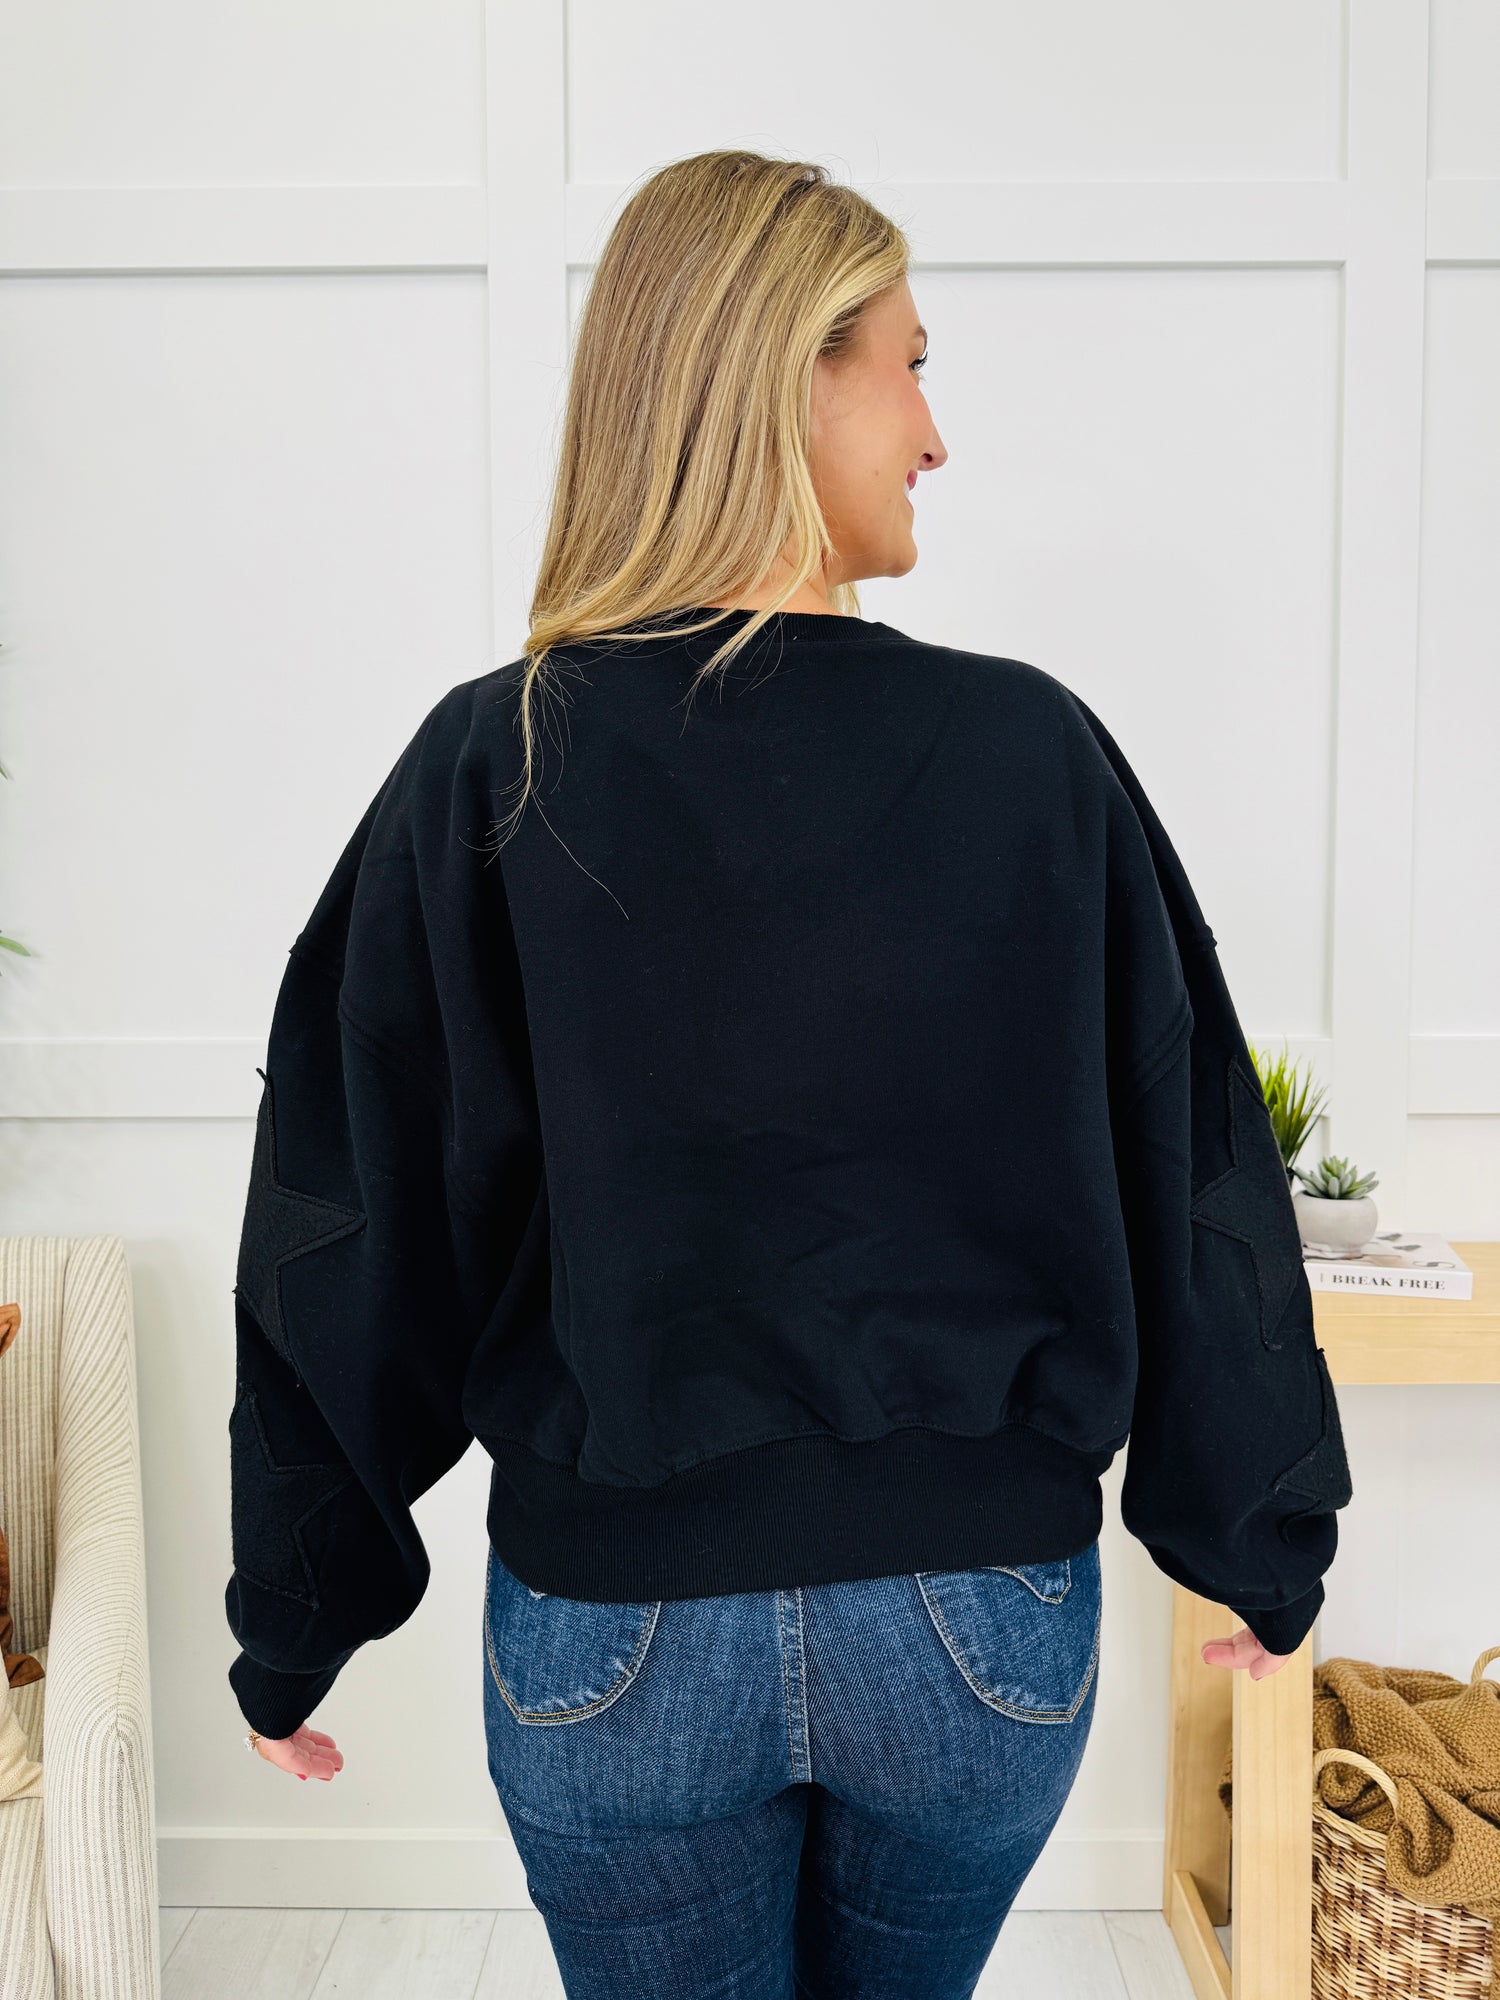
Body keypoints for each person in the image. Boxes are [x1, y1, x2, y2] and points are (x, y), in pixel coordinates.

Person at [225, 149, 1353, 1998]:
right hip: (978, 1628)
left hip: (619, 1635)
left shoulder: (496, 761)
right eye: (911, 366)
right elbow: (1195, 1154)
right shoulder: (1034, 753)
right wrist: (1257, 1537)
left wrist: (299, 1611)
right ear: (787, 374)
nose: (936, 436)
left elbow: (357, 1205)